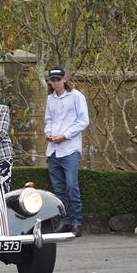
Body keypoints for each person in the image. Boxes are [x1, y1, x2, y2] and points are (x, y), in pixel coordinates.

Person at [44, 65, 89, 237]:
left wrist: (65, 135)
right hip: (53, 150)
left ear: (64, 79)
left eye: (58, 79)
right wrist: (47, 133)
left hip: (69, 148)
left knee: (72, 186)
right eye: (52, 80)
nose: (55, 83)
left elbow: (83, 121)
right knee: (59, 189)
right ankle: (65, 220)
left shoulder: (76, 96)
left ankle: (77, 221)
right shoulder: (50, 99)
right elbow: (48, 120)